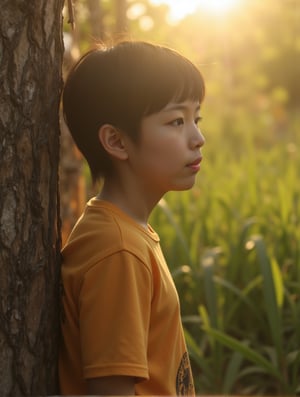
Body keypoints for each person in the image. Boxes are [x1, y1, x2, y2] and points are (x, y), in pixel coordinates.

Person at [59, 40, 205, 396]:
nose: (198, 138)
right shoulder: (118, 251)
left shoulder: (125, 232)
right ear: (117, 142)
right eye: (176, 121)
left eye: (196, 119)